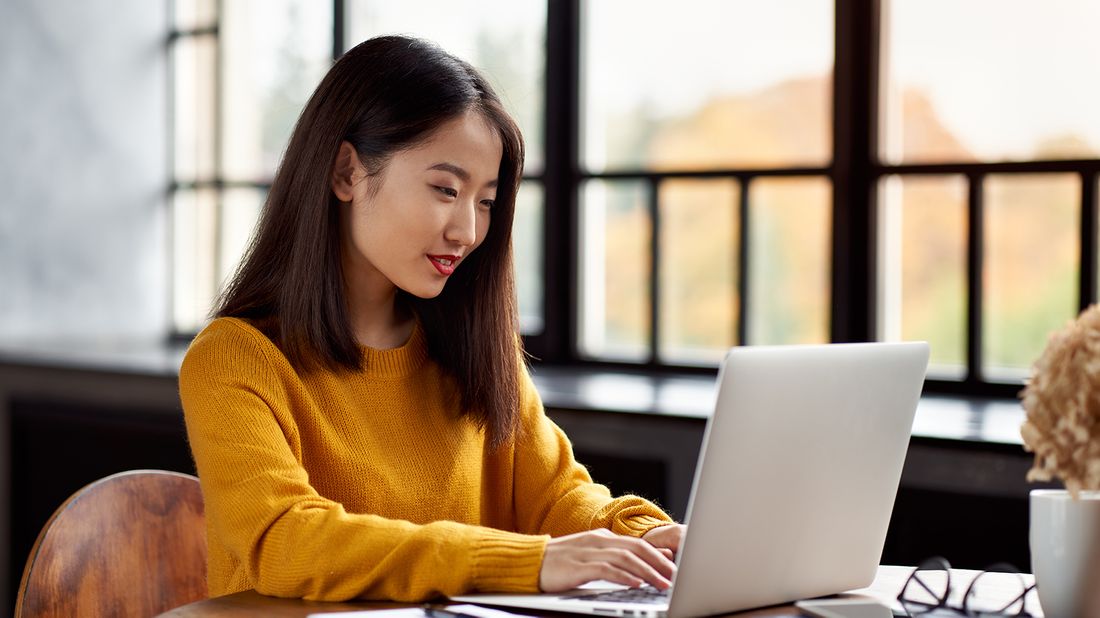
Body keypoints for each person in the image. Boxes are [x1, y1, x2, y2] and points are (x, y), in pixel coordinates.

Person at [179, 34, 684, 603]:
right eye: (446, 189)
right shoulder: (233, 360)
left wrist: (648, 539)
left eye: (486, 201)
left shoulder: (471, 350)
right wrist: (522, 560)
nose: (466, 232)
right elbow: (285, 539)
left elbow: (560, 500)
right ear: (346, 173)